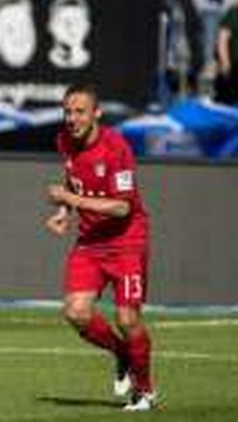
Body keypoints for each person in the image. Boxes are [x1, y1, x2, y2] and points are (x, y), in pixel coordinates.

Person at [45, 84, 156, 412]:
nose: (71, 118)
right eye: (67, 111)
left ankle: (145, 390)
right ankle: (122, 354)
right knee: (76, 312)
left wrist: (71, 201)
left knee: (127, 319)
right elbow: (73, 180)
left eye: (79, 111)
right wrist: (64, 213)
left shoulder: (116, 147)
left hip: (127, 242)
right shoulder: (64, 141)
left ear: (97, 114)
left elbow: (123, 207)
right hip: (91, 242)